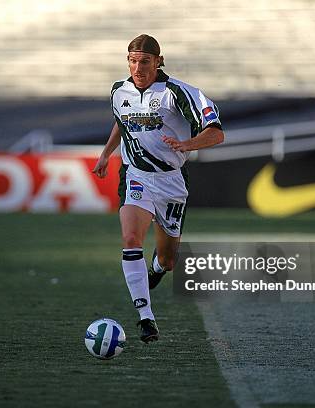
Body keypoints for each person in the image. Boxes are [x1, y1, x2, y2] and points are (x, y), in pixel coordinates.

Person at [92, 34, 224, 343]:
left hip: (171, 181)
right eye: (133, 61)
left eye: (145, 62)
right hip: (136, 175)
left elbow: (216, 134)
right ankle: (146, 317)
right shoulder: (118, 91)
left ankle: (156, 269)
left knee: (168, 259)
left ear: (158, 61)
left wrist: (186, 144)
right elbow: (121, 122)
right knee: (130, 237)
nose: (138, 68)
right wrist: (106, 154)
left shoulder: (178, 92)